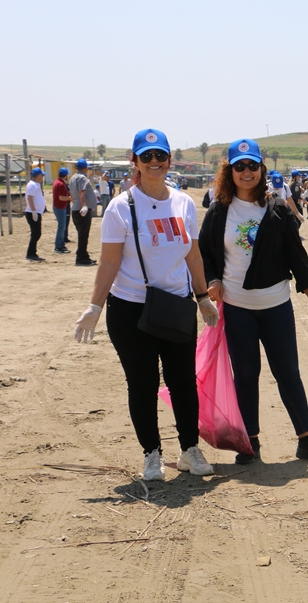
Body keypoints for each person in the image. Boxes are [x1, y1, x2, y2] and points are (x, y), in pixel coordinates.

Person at [73, 128, 217, 481]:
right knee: (142, 383)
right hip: (131, 308)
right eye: (147, 156)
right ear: (134, 161)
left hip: (175, 305)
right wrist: (95, 306)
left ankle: (189, 450)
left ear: (169, 160)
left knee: (183, 380)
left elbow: (193, 256)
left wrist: (201, 298)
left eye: (160, 156)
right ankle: (151, 454)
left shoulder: (183, 203)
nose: (155, 162)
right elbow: (109, 262)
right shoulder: (121, 207)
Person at [200, 138, 308, 466]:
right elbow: (204, 252)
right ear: (229, 171)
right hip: (237, 306)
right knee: (245, 373)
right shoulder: (219, 209)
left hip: (275, 305)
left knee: (288, 371)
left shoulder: (276, 209)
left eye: (252, 166)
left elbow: (296, 255)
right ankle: (251, 442)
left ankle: (306, 439)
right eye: (239, 166)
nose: (247, 172)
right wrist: (212, 280)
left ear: (262, 169)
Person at [69, 158, 98, 266]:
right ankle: (81, 258)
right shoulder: (82, 178)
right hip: (82, 210)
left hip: (76, 208)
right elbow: (82, 192)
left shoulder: (73, 178)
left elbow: (72, 193)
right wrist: (84, 206)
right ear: (85, 168)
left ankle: (84, 255)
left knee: (82, 234)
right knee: (83, 235)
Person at [24, 167, 46, 262]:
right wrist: (33, 211)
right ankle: (30, 253)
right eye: (41, 175)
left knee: (36, 233)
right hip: (32, 212)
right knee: (36, 233)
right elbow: (29, 198)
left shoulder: (36, 184)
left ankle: (32, 252)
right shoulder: (32, 185)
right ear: (38, 176)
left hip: (36, 212)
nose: (42, 177)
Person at [52, 167, 72, 254]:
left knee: (62, 226)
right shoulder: (60, 184)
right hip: (60, 207)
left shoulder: (58, 182)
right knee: (61, 227)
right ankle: (59, 246)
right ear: (66, 175)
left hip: (59, 207)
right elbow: (61, 198)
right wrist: (70, 198)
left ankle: (60, 244)